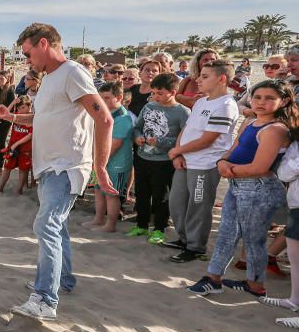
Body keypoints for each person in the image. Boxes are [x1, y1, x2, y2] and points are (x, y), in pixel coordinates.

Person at [0, 23, 115, 321]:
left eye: (28, 52)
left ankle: (45, 299)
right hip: (49, 166)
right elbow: (43, 117)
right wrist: (13, 116)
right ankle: (62, 280)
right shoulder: (50, 79)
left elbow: (105, 118)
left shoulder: (73, 72)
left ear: (44, 43)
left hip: (67, 164)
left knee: (45, 225)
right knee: (56, 227)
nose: (27, 60)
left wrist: (99, 166)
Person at [188, 79, 295, 297]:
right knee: (227, 234)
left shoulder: (275, 129)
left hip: (259, 188)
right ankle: (213, 278)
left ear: (283, 101)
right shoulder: (251, 123)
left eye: (269, 98)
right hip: (239, 185)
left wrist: (229, 169)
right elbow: (233, 147)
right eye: (257, 97)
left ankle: (255, 285)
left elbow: (260, 167)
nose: (261, 102)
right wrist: (223, 162)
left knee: (253, 238)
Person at [164, 60, 239, 262]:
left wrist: (178, 150)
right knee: (177, 202)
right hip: (186, 160)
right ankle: (184, 238)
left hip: (205, 164)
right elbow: (187, 129)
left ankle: (196, 246)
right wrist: (179, 153)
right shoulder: (201, 101)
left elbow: (208, 139)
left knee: (198, 205)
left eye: (205, 76)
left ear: (222, 79)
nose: (198, 80)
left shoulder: (226, 105)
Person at [128, 73, 190, 244]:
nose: (155, 97)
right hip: (142, 157)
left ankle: (159, 229)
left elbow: (184, 138)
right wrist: (138, 137)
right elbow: (137, 127)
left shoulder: (182, 112)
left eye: (160, 93)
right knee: (141, 193)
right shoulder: (148, 107)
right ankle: (141, 225)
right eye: (153, 93)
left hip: (163, 162)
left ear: (173, 92)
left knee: (160, 197)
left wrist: (161, 141)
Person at [81, 83, 134, 231]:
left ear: (119, 97)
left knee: (111, 194)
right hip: (100, 162)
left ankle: (110, 225)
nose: (102, 101)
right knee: (98, 190)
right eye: (101, 98)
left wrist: (98, 163)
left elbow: (114, 145)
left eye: (107, 98)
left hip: (116, 163)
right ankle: (98, 219)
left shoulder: (123, 117)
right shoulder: (104, 114)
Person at [261, 139, 299, 329]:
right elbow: (283, 174)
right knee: (294, 257)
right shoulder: (295, 145)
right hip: (296, 204)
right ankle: (294, 300)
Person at [0, 96, 34, 194]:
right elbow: (5, 115)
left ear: (30, 106)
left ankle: (18, 190)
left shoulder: (31, 118)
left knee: (23, 170)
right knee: (7, 168)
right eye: (19, 108)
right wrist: (13, 102)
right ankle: (0, 188)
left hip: (24, 148)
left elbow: (30, 135)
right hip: (12, 147)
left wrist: (16, 144)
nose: (20, 110)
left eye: (23, 107)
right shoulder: (17, 115)